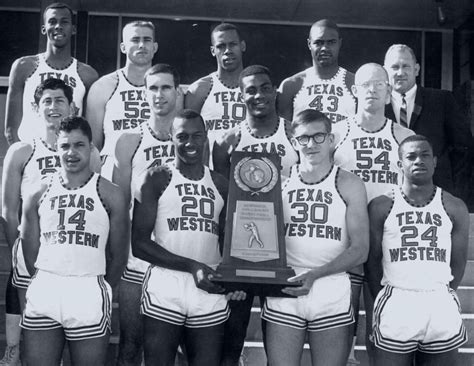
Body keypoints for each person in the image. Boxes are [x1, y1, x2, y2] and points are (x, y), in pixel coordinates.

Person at [132, 109, 245, 365]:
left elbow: (230, 241)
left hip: (209, 285)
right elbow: (139, 245)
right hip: (166, 283)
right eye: (182, 136)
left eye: (196, 136)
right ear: (171, 137)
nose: (190, 143)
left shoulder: (221, 184)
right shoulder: (154, 178)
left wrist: (235, 278)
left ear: (206, 137)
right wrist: (191, 266)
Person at [1, 79, 101, 366]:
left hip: (73, 251)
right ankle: (14, 350)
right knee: (35, 331)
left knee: (74, 332)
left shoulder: (88, 152)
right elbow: (9, 210)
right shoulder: (21, 151)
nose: (53, 107)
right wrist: (19, 248)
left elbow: (95, 202)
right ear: (36, 107)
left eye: (60, 100)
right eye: (47, 101)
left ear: (72, 106)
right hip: (33, 251)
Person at [19, 116, 129, 366]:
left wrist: (103, 288)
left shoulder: (111, 194)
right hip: (47, 285)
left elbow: (119, 254)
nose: (71, 152)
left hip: (89, 287)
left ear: (91, 147)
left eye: (79, 145)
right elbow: (30, 252)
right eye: (65, 146)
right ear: (56, 148)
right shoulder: (38, 192)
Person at [262, 109, 368, 366]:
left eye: (318, 136)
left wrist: (316, 275)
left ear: (331, 140)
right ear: (293, 142)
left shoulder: (349, 183)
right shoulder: (279, 182)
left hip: (330, 285)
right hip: (285, 285)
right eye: (303, 138)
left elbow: (361, 249)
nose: (310, 144)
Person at [213, 65, 299, 366]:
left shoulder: (293, 134)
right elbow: (223, 202)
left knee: (278, 342)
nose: (258, 95)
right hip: (241, 251)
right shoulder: (227, 141)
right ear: (241, 96)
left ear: (274, 91)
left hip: (286, 249)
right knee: (231, 339)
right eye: (250, 90)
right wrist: (228, 261)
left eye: (264, 88)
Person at [332, 63, 414, 365]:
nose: (372, 90)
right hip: (344, 234)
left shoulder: (405, 135)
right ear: (354, 90)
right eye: (365, 84)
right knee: (343, 314)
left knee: (382, 313)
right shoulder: (337, 132)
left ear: (389, 90)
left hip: (388, 236)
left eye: (379, 84)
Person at [366, 134, 469, 365]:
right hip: (397, 299)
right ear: (400, 164)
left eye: (425, 155)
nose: (418, 161)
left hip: (439, 301)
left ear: (435, 161)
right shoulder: (382, 205)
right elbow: (372, 260)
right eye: (411, 156)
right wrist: (385, 294)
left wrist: (439, 289)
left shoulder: (454, 206)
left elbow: (459, 262)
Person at [113, 63, 180, 366]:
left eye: (166, 87)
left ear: (177, 92)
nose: (159, 94)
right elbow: (119, 203)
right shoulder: (130, 140)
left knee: (179, 346)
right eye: (152, 88)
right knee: (130, 343)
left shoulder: (193, 138)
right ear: (144, 93)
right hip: (138, 257)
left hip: (180, 252)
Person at [383, 44, 472, 201]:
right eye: (394, 67)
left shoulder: (442, 100)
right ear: (385, 71)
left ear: (416, 69)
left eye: (406, 66)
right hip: (389, 196)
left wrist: (454, 194)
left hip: (438, 195)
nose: (400, 72)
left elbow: (464, 150)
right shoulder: (378, 106)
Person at [4, 2, 98, 144]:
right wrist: (23, 159)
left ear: (73, 29)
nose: (58, 26)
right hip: (30, 153)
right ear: (44, 29)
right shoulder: (24, 67)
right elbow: (11, 128)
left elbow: (89, 129)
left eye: (64, 22)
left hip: (68, 156)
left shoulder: (87, 75)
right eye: (52, 22)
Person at [86, 20, 158, 180]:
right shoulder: (103, 87)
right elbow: (93, 144)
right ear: (123, 47)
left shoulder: (169, 89)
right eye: (134, 40)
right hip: (113, 169)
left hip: (155, 169)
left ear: (154, 48)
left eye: (147, 40)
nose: (141, 45)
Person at [185, 22, 247, 164]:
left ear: (243, 46)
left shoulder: (256, 88)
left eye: (233, 44)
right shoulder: (199, 89)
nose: (227, 50)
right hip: (210, 172)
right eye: (221, 46)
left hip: (249, 170)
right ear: (213, 50)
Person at [277, 19, 356, 123]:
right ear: (309, 44)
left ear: (339, 43)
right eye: (318, 42)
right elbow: (284, 133)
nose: (324, 48)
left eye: (331, 42)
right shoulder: (291, 86)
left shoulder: (355, 82)